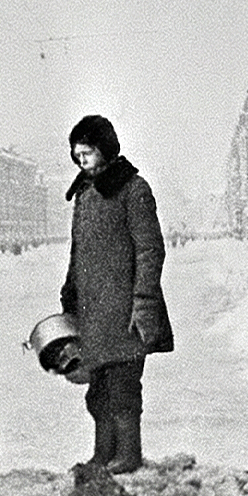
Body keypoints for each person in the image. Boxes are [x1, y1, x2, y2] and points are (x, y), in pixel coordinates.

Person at [59, 114, 173, 474]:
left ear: (105, 150)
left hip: (125, 311)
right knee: (98, 390)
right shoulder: (84, 193)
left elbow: (150, 249)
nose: (82, 160)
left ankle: (128, 453)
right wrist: (69, 292)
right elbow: (79, 250)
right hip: (93, 310)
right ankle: (102, 452)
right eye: (77, 155)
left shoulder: (133, 188)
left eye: (87, 152)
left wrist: (144, 302)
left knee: (124, 386)